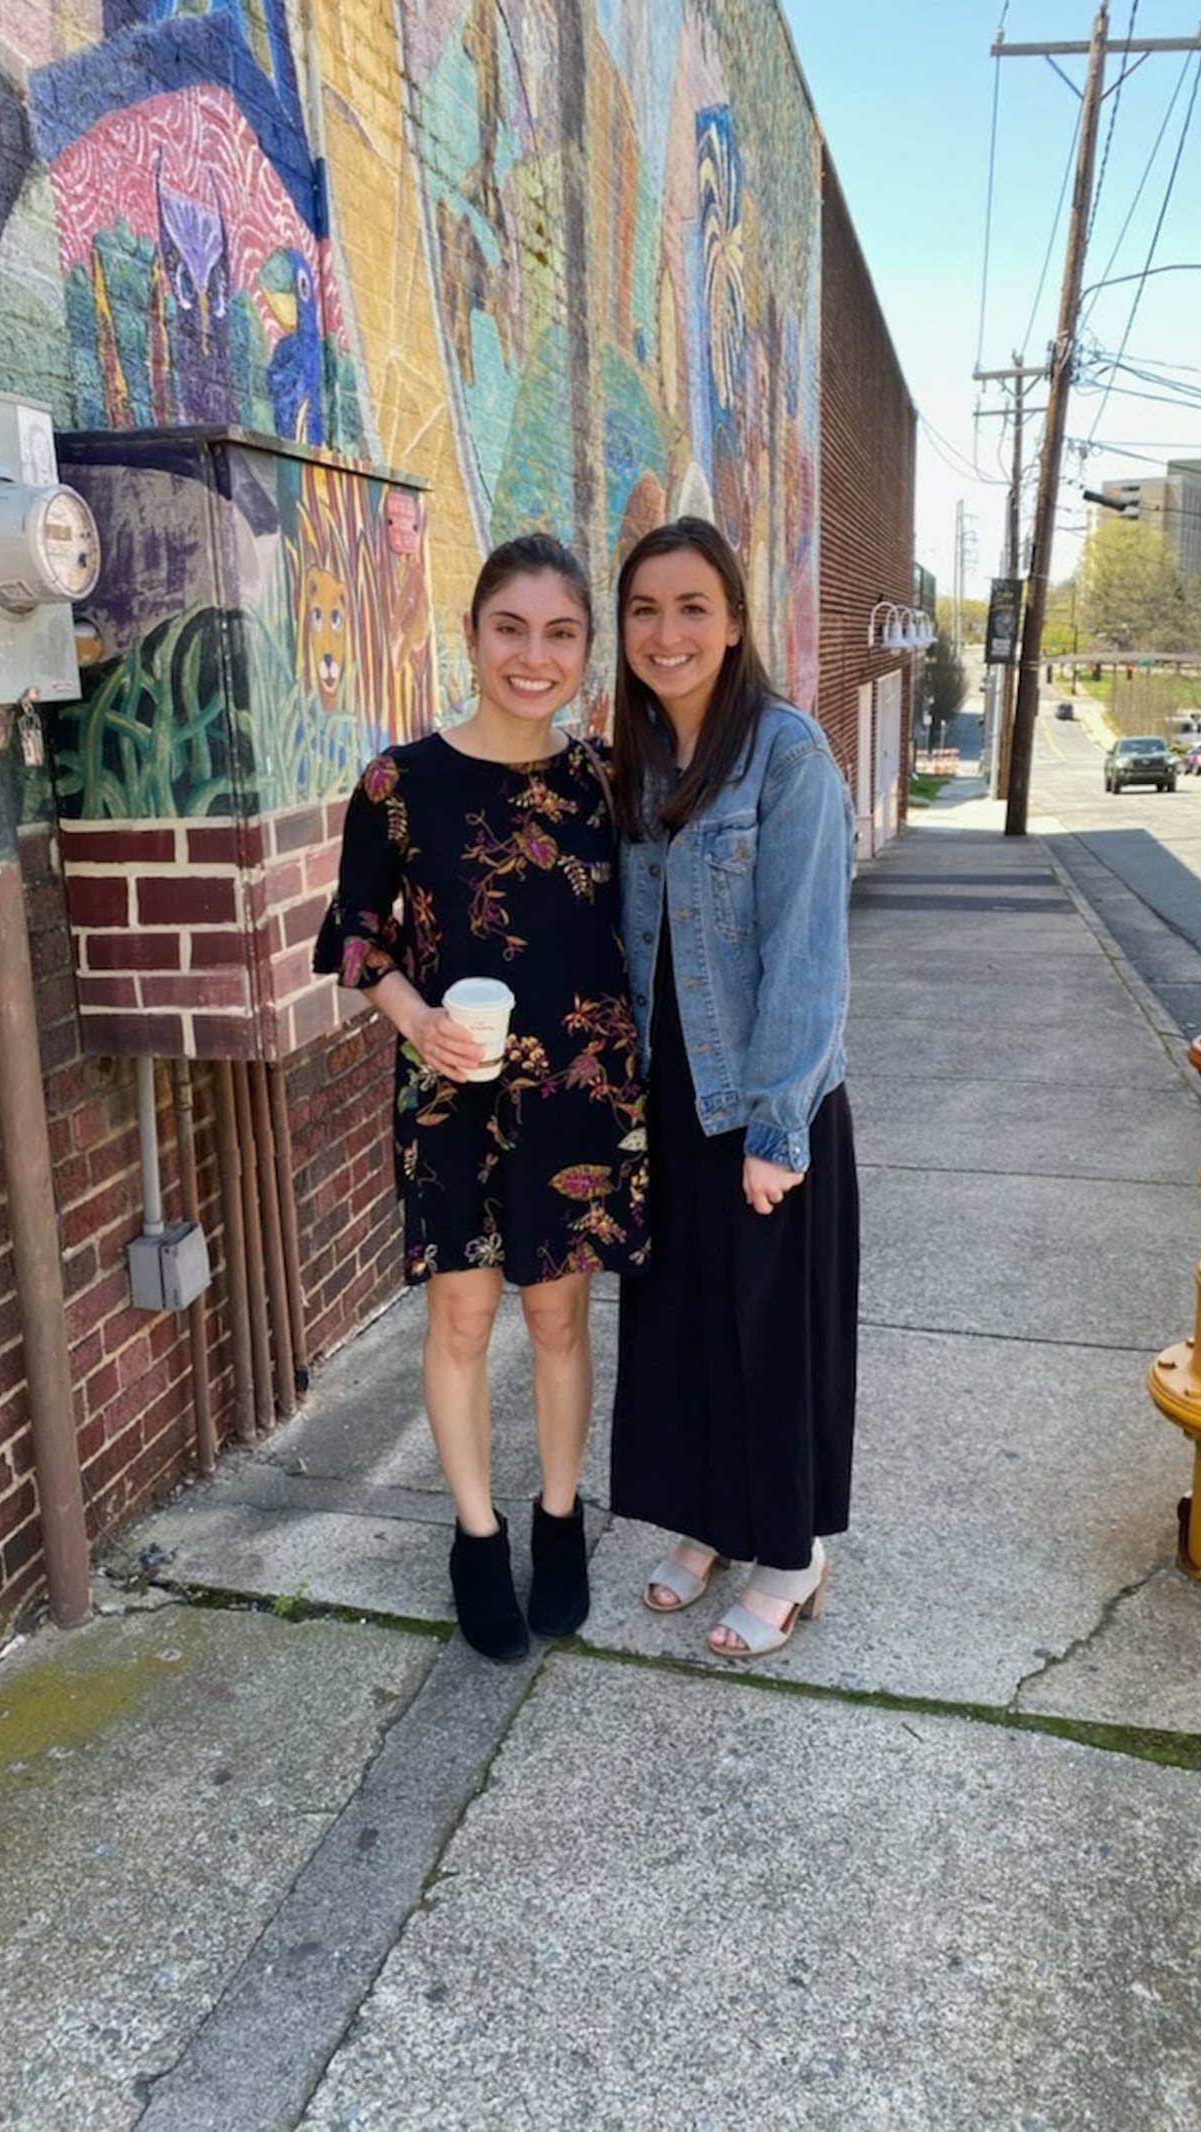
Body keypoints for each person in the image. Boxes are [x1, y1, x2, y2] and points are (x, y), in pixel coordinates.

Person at [314, 534, 647, 1662]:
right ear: (471, 634)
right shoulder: (397, 783)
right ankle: (474, 1531)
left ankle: (559, 1517)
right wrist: (415, 1019)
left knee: (557, 1315)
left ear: (586, 652)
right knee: (461, 1318)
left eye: (559, 633)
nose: (532, 654)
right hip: (450, 1097)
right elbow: (359, 938)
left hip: (580, 1101)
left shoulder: (608, 779)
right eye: (510, 627)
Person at [608, 517, 858, 1659]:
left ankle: (794, 1553)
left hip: (763, 1106)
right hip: (669, 1100)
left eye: (692, 606)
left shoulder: (788, 754)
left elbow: (809, 955)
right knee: (683, 1329)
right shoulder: (637, 757)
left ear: (736, 621)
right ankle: (709, 1519)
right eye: (645, 609)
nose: (667, 632)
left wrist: (777, 1126)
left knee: (769, 1335)